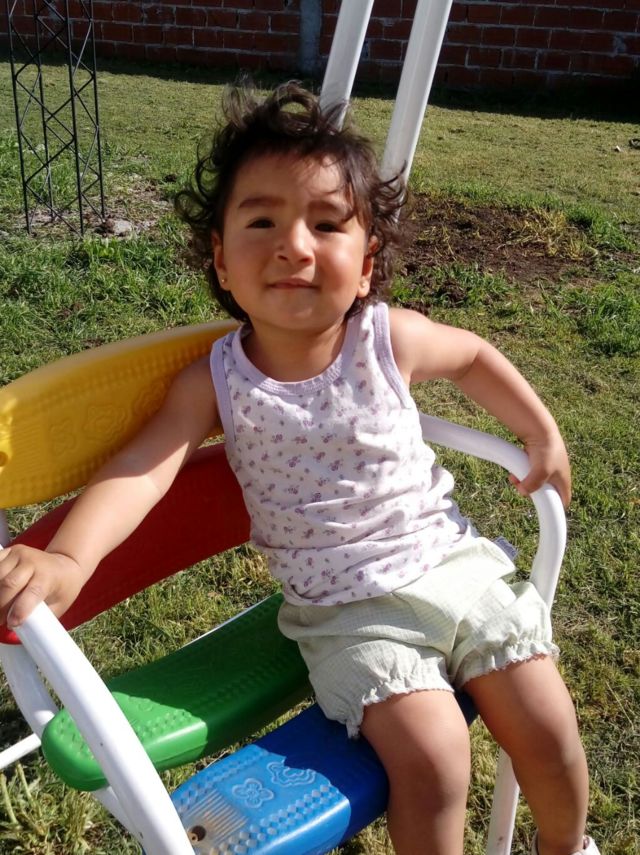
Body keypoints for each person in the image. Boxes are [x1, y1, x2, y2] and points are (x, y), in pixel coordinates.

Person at [0, 83, 598, 855]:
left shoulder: (388, 339)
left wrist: (540, 429)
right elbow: (144, 469)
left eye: (326, 223)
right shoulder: (216, 381)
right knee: (434, 757)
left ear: (366, 261)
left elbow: (473, 357)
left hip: (454, 564)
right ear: (221, 259)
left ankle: (566, 845)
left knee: (548, 719)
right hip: (348, 612)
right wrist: (69, 558)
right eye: (262, 221)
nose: (294, 245)